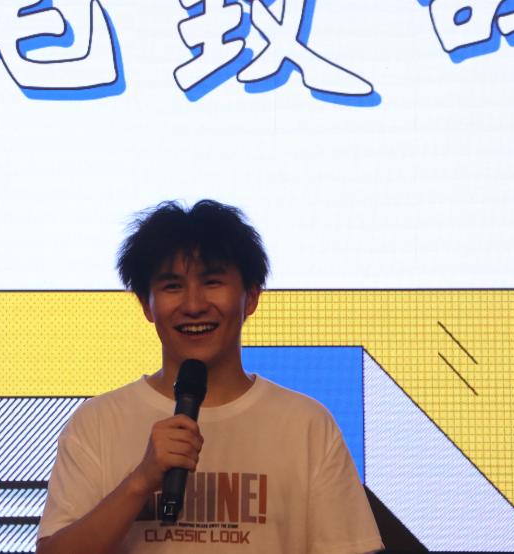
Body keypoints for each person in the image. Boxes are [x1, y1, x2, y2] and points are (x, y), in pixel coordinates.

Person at [37, 200, 383, 553]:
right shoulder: (97, 423)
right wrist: (140, 481)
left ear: (250, 297)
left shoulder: (306, 425)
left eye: (212, 282)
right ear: (146, 304)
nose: (194, 305)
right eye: (172, 286)